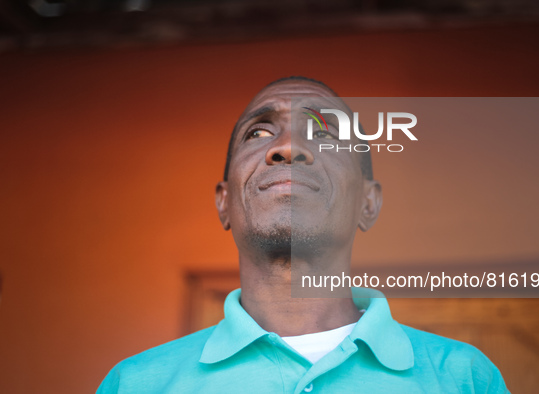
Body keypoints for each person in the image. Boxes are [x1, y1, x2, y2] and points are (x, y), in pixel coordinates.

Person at [97, 76, 509, 393]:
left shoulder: (464, 378)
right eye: (258, 132)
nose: (290, 147)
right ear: (224, 202)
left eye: (325, 132)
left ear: (368, 203)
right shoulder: (136, 384)